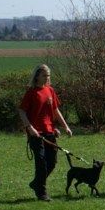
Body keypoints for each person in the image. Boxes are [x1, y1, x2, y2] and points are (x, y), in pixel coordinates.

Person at [18, 64, 72, 202]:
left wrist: (65, 127)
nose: (47, 78)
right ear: (37, 76)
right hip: (36, 134)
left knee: (52, 162)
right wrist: (30, 128)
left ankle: (36, 183)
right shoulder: (31, 92)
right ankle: (41, 192)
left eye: (48, 75)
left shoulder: (50, 91)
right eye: (44, 75)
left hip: (50, 132)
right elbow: (22, 111)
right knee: (41, 162)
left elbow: (55, 110)